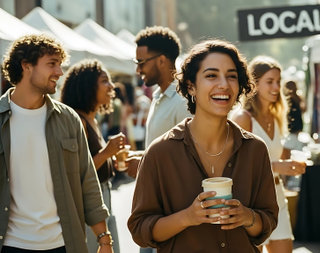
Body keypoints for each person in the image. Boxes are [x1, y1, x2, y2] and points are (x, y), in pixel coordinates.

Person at [128, 39, 279, 252]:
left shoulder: (255, 149)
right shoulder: (160, 152)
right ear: (191, 86)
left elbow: (268, 221)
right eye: (211, 75)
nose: (224, 84)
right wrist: (188, 217)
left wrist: (248, 217)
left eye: (231, 76)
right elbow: (140, 230)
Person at [0, 34, 112, 253]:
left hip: (63, 244)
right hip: (11, 245)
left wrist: (104, 239)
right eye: (52, 64)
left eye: (60, 65)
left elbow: (87, 181)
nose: (59, 72)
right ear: (26, 66)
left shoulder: (68, 119)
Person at [232, 55, 306, 253]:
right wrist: (276, 166)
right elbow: (236, 165)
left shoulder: (276, 116)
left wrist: (290, 164)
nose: (276, 87)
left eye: (278, 82)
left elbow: (273, 155)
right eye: (270, 82)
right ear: (254, 84)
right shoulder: (243, 118)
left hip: (277, 195)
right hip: (252, 199)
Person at [60, 59, 125, 253]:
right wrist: (107, 152)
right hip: (89, 205)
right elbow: (76, 173)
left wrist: (113, 158)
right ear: (87, 86)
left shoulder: (91, 119)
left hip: (104, 196)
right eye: (105, 81)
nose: (111, 86)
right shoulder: (77, 121)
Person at [126, 26, 191, 183]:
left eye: (141, 62)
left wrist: (143, 164)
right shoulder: (158, 96)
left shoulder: (184, 102)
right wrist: (142, 155)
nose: (138, 69)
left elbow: (190, 159)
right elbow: (165, 151)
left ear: (162, 61)